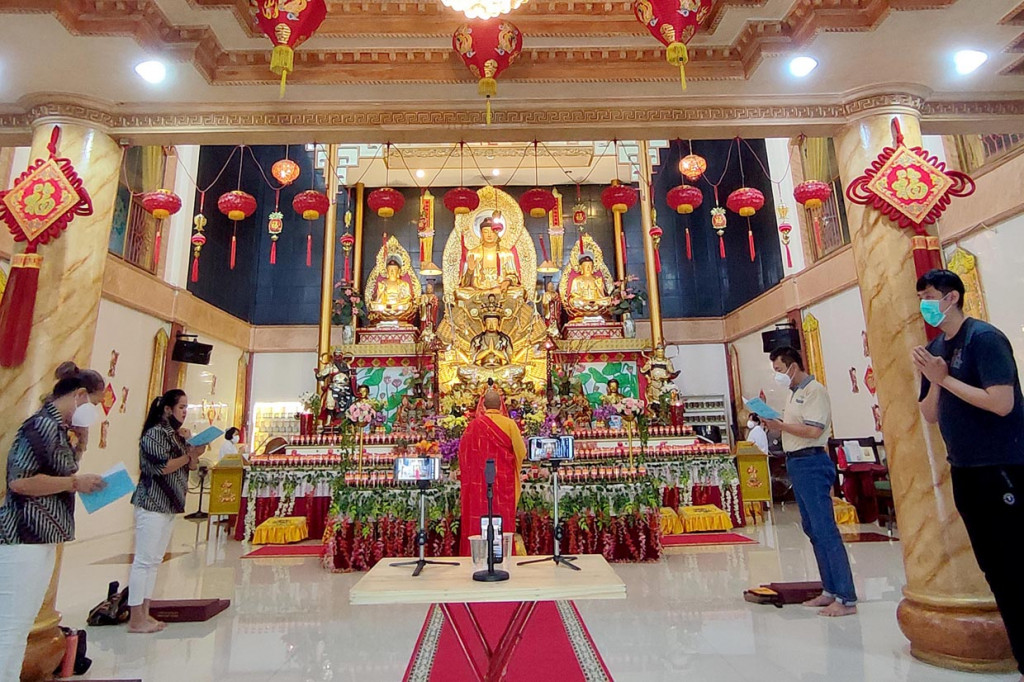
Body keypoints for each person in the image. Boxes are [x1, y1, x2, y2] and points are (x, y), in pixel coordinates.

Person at [913, 269, 1024, 677]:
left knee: (1015, 566)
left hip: (1001, 467)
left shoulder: (984, 339)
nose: (925, 304)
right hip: (964, 469)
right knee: (995, 568)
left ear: (952, 297)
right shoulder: (936, 346)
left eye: (929, 295)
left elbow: (1001, 403)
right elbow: (927, 414)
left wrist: (945, 378)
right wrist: (934, 382)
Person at [0, 375, 105, 681]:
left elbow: (60, 468)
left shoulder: (61, 429)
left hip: (42, 536)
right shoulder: (42, 425)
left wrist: (82, 441)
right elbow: (19, 482)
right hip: (24, 534)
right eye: (94, 403)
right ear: (80, 395)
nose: (95, 411)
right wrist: (75, 483)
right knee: (11, 625)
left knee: (19, 624)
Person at [763, 346, 857, 617]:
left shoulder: (814, 391)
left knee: (825, 529)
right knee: (812, 528)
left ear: (793, 367)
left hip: (812, 461)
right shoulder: (794, 394)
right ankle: (829, 590)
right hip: (797, 462)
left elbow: (814, 429)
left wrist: (780, 426)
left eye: (779, 370)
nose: (778, 376)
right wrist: (777, 423)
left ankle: (846, 597)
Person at [127, 389, 203, 633]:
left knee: (154, 561)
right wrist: (187, 454)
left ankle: (146, 612)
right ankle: (135, 617)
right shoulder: (155, 434)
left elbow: (190, 466)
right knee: (143, 561)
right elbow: (162, 468)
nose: (184, 412)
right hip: (152, 503)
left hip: (169, 505)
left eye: (186, 408)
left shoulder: (176, 435)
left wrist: (192, 452)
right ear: (167, 409)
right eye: (181, 407)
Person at [457, 386, 527, 556]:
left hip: (479, 483)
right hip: (504, 481)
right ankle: (501, 553)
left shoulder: (473, 425)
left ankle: (479, 555)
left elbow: (463, 453)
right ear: (501, 404)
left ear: (484, 406)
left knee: (480, 515)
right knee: (502, 516)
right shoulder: (509, 424)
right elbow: (522, 451)